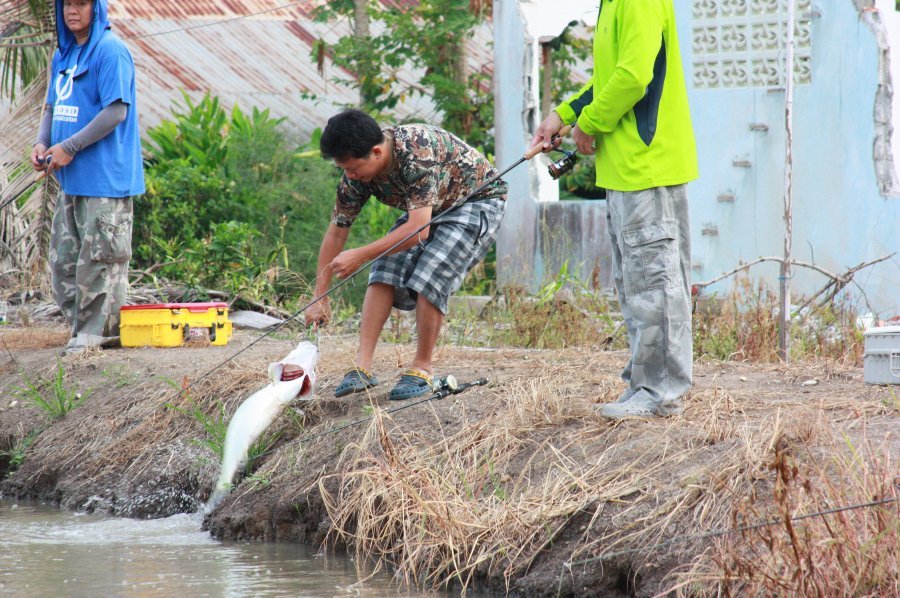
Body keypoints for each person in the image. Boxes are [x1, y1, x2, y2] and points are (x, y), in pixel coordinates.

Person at [532, 0, 698, 419]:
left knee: (656, 284)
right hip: (624, 169)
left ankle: (660, 392)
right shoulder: (612, 5)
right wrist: (565, 114)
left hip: (647, 165)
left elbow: (633, 76)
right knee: (637, 285)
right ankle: (644, 383)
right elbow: (610, 77)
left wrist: (589, 123)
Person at [307, 109, 507, 400]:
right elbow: (337, 232)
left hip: (476, 200)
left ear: (376, 152)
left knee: (433, 269)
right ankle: (361, 367)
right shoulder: (355, 177)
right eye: (344, 169)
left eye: (352, 168)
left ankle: (422, 368)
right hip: (429, 208)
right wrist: (319, 297)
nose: (349, 175)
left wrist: (360, 255)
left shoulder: (415, 151)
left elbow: (418, 231)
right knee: (385, 265)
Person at [31, 0, 144, 357]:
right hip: (72, 179)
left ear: (96, 9)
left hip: (106, 180)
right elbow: (52, 105)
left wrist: (71, 146)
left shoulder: (111, 51)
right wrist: (43, 142)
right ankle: (80, 329)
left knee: (101, 259)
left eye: (81, 3)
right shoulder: (64, 54)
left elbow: (116, 111)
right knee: (65, 262)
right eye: (67, 4)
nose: (72, 11)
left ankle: (99, 335)